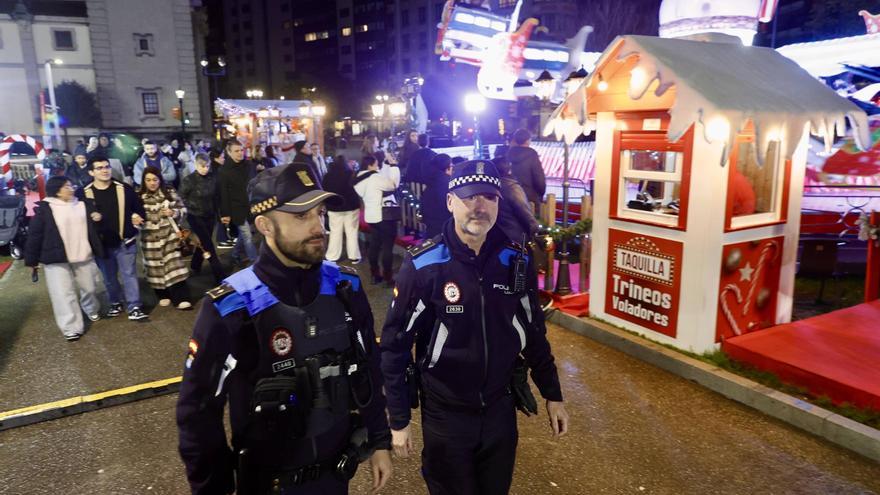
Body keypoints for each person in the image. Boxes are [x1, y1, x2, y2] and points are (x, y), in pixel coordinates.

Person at [176, 163, 393, 495]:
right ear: (264, 225)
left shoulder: (345, 287)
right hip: (269, 484)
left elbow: (369, 367)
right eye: (300, 216)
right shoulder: (231, 307)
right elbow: (199, 414)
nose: (318, 226)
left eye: (319, 213)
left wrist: (380, 441)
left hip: (337, 476)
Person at [380, 159, 569, 495]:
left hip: (500, 409)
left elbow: (534, 332)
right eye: (469, 198)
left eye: (489, 197)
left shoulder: (516, 261)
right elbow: (395, 345)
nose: (479, 207)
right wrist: (398, 420)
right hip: (446, 414)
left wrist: (552, 394)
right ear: (450, 201)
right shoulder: (425, 265)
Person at [25, 176, 104, 341]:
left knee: (90, 287)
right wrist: (32, 260)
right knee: (62, 293)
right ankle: (71, 327)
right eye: (67, 186)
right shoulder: (46, 208)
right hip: (56, 258)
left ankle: (90, 308)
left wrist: (96, 217)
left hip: (83, 254)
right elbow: (35, 235)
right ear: (57, 190)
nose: (71, 188)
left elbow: (94, 223)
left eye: (71, 185)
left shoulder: (82, 204)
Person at [77, 156, 149, 321]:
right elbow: (76, 217)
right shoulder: (83, 192)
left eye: (107, 167)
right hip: (101, 244)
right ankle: (115, 302)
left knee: (129, 274)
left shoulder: (123, 188)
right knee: (108, 277)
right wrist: (90, 216)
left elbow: (138, 209)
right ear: (91, 172)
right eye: (100, 168)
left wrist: (137, 216)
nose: (105, 170)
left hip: (125, 240)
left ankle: (134, 306)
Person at [138, 166, 193, 310]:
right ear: (144, 181)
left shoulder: (169, 192)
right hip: (149, 239)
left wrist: (173, 212)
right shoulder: (139, 196)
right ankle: (163, 294)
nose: (152, 183)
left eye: (155, 179)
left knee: (174, 266)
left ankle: (182, 298)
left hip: (169, 237)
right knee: (154, 269)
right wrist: (135, 219)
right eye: (148, 180)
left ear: (160, 179)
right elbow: (132, 214)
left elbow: (183, 209)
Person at [179, 153, 226, 284]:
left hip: (209, 215)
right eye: (202, 166)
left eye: (207, 166)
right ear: (196, 165)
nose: (205, 168)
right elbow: (181, 197)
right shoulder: (189, 180)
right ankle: (219, 275)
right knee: (209, 245)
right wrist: (190, 207)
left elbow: (217, 197)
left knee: (204, 243)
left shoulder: (212, 178)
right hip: (195, 216)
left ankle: (195, 265)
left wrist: (220, 214)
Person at [353, 155, 399, 286]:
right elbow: (393, 184)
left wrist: (385, 165)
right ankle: (388, 277)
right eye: (376, 164)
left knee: (374, 246)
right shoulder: (374, 178)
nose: (377, 167)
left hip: (371, 217)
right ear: (370, 165)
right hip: (384, 216)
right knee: (387, 247)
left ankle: (375, 275)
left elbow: (381, 178)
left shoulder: (359, 179)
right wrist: (394, 166)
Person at [218, 140, 259, 265]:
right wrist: (225, 214)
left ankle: (235, 254)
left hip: (250, 205)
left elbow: (255, 183)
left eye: (242, 150)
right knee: (247, 236)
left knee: (245, 234)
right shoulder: (224, 171)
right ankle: (255, 263)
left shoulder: (248, 165)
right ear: (229, 152)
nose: (240, 153)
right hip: (236, 208)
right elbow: (223, 194)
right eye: (236, 151)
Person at [323, 155, 362, 263]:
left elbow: (324, 191)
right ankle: (354, 256)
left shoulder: (327, 176)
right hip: (351, 207)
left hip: (334, 207)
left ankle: (332, 256)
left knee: (335, 232)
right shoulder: (351, 174)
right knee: (352, 232)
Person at [493, 156, 540, 243]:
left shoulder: (491, 186)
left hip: (495, 238)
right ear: (509, 170)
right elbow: (524, 211)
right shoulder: (512, 188)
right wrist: (535, 229)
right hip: (516, 238)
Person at [506, 128, 546, 216]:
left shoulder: (508, 154)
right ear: (528, 140)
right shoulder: (532, 154)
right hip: (529, 196)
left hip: (511, 196)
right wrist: (540, 194)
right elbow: (539, 177)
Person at [420, 153, 452, 238]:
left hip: (431, 225)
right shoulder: (447, 183)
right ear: (447, 167)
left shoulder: (430, 181)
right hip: (445, 227)